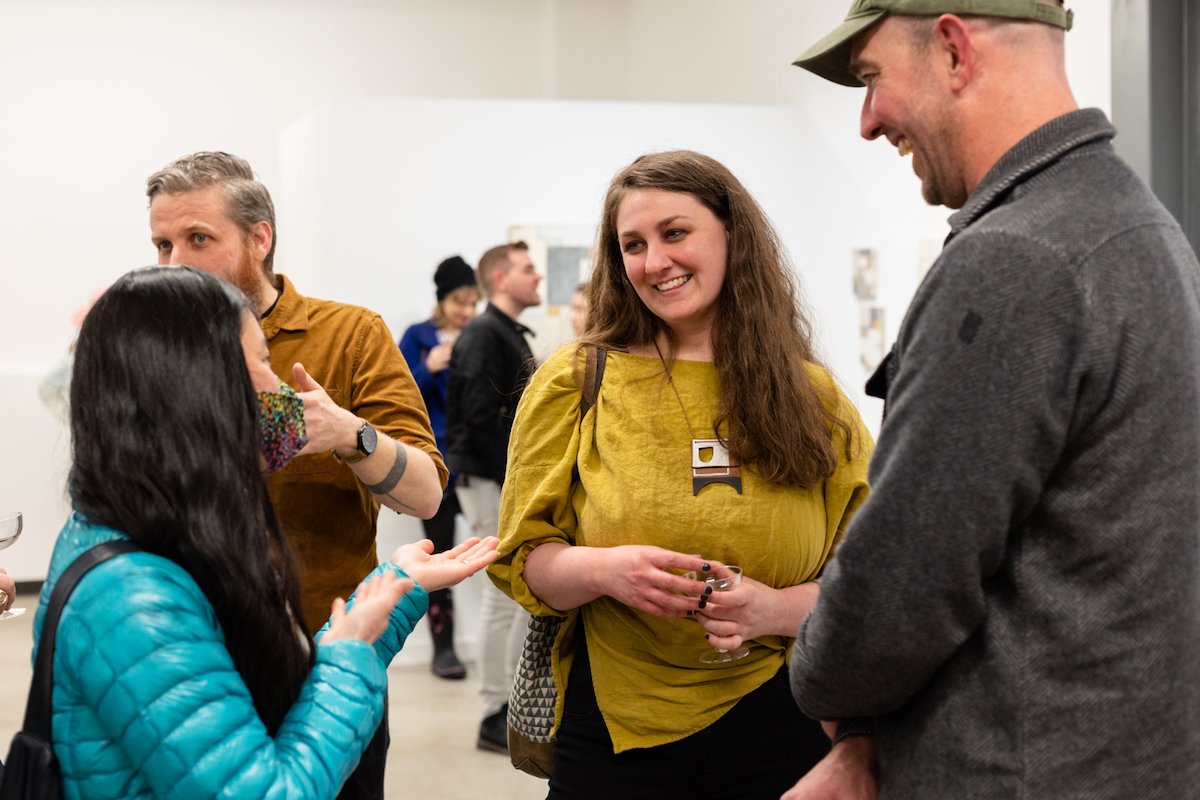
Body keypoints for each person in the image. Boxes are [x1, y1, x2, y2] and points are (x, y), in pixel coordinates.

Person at [785, 2, 1200, 798]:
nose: (868, 122)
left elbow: (899, 587)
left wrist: (825, 684)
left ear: (951, 49)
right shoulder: (1139, 227)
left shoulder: (1017, 256)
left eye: (872, 78)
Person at [486, 150, 873, 798]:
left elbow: (866, 577)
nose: (654, 262)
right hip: (615, 727)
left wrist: (773, 609)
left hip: (782, 718)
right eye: (632, 244)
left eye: (674, 233)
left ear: (731, 234)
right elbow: (524, 561)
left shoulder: (811, 396)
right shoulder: (577, 380)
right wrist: (606, 571)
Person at [32, 265, 499, 799]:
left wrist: (392, 594)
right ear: (198, 385)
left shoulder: (158, 532)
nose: (282, 390)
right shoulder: (135, 595)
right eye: (261, 363)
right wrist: (348, 655)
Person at [146, 151, 446, 798]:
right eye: (162, 243)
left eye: (199, 239)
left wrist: (349, 435)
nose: (174, 263)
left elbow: (424, 489)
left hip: (325, 658)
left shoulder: (349, 335)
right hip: (193, 663)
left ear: (260, 238)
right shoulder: (155, 346)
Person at [445, 241, 543, 753]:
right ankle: (492, 713)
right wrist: (518, 482)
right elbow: (483, 418)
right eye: (529, 270)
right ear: (500, 279)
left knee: (508, 595)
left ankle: (504, 707)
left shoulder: (502, 333)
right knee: (501, 594)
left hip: (499, 478)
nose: (539, 278)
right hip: (491, 478)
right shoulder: (487, 333)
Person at [398, 255, 482, 679]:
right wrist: (429, 368)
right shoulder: (418, 337)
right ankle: (443, 649)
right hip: (437, 467)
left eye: (472, 303)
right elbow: (397, 393)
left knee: (495, 549)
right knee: (439, 558)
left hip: (477, 464)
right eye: (459, 303)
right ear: (442, 300)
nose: (466, 312)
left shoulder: (480, 336)